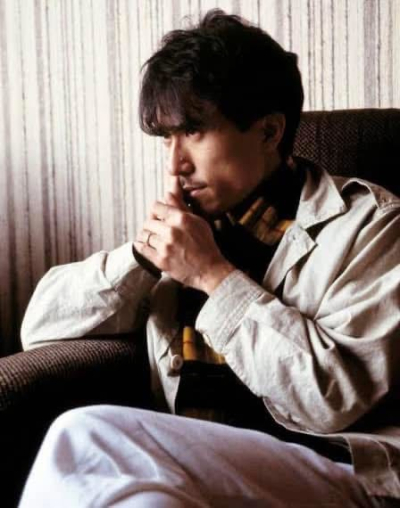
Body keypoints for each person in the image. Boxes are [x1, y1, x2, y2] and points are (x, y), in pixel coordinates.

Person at [19, 9, 399, 508]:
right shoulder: (188, 233)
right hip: (208, 475)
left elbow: (331, 401)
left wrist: (211, 275)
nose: (174, 163)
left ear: (269, 132)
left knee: (83, 437)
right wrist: (142, 258)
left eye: (194, 132)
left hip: (341, 473)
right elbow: (38, 329)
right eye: (166, 137)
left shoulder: (373, 226)